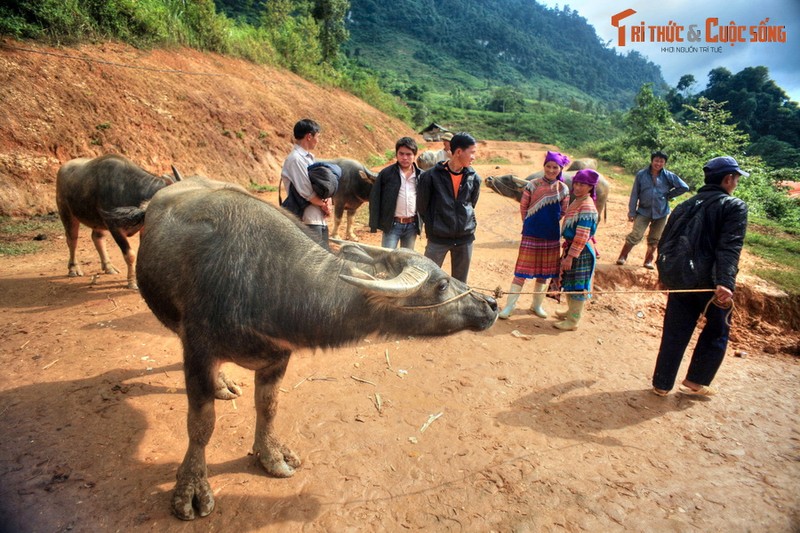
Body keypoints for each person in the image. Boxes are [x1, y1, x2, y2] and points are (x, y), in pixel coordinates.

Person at [651, 156, 749, 397]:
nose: (735, 182)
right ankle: (696, 381)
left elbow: (666, 243)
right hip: (711, 286)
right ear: (728, 179)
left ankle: (661, 384)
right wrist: (725, 282)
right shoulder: (734, 206)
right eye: (736, 178)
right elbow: (729, 247)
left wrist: (664, 274)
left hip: (681, 280)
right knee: (717, 331)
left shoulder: (685, 205)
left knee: (675, 331)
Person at [499, 151, 571, 319]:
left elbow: (563, 211)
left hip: (551, 236)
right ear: (544, 166)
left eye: (555, 167)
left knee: (543, 274)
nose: (551, 170)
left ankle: (536, 306)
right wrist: (530, 222)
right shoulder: (532, 184)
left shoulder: (563, 189)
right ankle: (509, 307)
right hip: (531, 234)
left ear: (560, 169)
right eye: (548, 166)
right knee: (520, 273)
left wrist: (548, 223)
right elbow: (523, 207)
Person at [417, 132, 481, 283]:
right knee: (428, 279)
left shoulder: (474, 177)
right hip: (438, 238)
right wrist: (436, 226)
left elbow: (471, 203)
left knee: (460, 284)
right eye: (471, 153)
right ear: (458, 152)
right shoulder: (430, 177)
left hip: (465, 238)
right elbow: (422, 207)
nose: (474, 157)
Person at [617, 150, 689, 269]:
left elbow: (684, 187)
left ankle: (648, 261)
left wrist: (669, 195)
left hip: (661, 212)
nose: (658, 163)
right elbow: (635, 194)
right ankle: (622, 257)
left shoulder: (668, 176)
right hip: (643, 211)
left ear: (664, 163)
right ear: (651, 161)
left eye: (661, 161)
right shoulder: (641, 175)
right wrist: (631, 211)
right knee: (636, 235)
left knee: (655, 238)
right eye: (656, 160)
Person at [553, 169, 600, 331]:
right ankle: (570, 311)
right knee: (569, 281)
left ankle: (573, 320)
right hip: (573, 246)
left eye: (583, 185)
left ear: (590, 187)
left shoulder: (586, 206)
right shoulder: (578, 200)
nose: (578, 187)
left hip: (580, 250)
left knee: (578, 285)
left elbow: (582, 235)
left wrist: (570, 256)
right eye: (577, 184)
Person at [281, 118, 330, 249]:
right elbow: (306, 191)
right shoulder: (295, 159)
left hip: (318, 218)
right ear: (309, 136)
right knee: (314, 261)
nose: (318, 140)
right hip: (307, 218)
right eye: (317, 136)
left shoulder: (309, 158)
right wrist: (324, 205)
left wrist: (326, 203)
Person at [368, 137, 423, 250]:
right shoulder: (386, 174)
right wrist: (374, 224)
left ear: (415, 155)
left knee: (406, 260)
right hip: (392, 225)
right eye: (401, 153)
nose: (404, 157)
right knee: (387, 258)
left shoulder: (421, 176)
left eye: (408, 154)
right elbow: (375, 198)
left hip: (412, 226)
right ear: (396, 154)